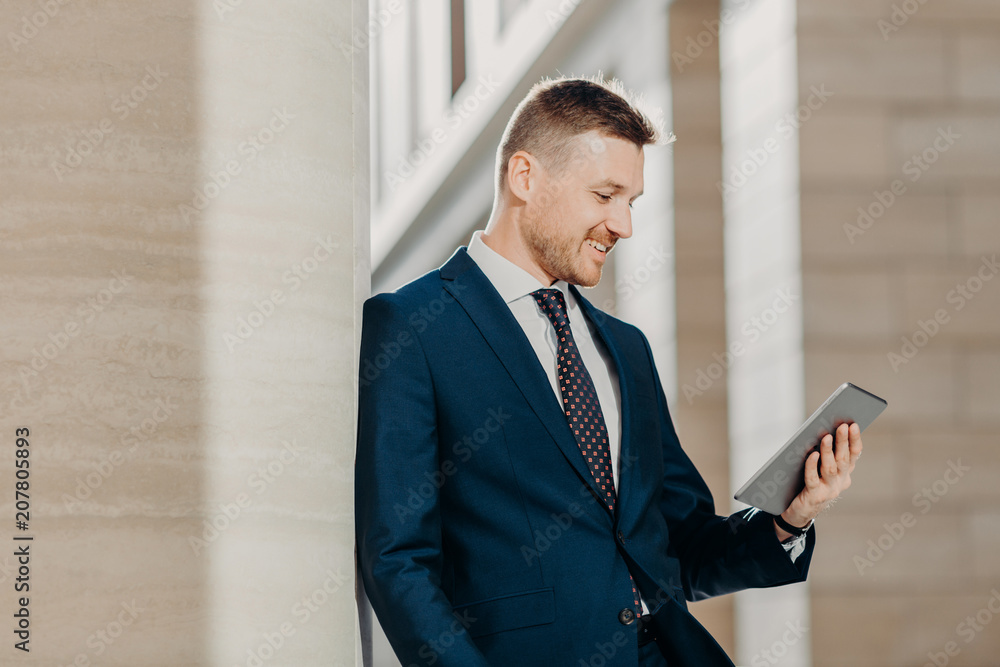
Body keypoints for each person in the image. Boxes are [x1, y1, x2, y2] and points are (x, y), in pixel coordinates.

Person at [355, 76, 862, 666]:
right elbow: (398, 560)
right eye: (605, 196)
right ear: (525, 177)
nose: (623, 225)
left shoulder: (625, 348)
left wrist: (787, 519)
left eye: (632, 202)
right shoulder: (411, 327)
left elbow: (676, 545)